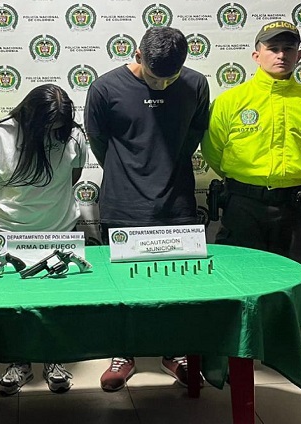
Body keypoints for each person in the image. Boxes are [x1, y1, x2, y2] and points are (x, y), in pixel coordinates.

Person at [201, 21, 301, 383]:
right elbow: (214, 150)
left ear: (299, 55)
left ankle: (285, 353)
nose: (280, 55)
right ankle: (231, 355)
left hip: (292, 206)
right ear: (255, 54)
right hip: (243, 203)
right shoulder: (231, 101)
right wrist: (249, 180)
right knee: (235, 282)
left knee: (288, 282)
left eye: (288, 49)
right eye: (273, 48)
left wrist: (292, 177)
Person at [84, 26, 210, 391]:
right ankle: (123, 354)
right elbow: (99, 142)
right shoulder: (105, 87)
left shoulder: (196, 85)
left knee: (177, 283)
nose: (163, 86)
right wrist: (132, 173)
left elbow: (195, 134)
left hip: (178, 201)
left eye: (171, 78)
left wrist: (166, 168)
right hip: (123, 203)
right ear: (137, 56)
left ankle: (175, 353)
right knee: (122, 286)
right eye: (156, 78)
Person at [0, 84, 89, 394]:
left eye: (58, 129)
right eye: (47, 128)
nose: (53, 133)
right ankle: (17, 363)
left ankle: (54, 359)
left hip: (60, 230)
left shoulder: (74, 135)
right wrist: (13, 210)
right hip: (8, 233)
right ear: (29, 116)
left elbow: (73, 176)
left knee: (56, 303)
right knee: (13, 305)